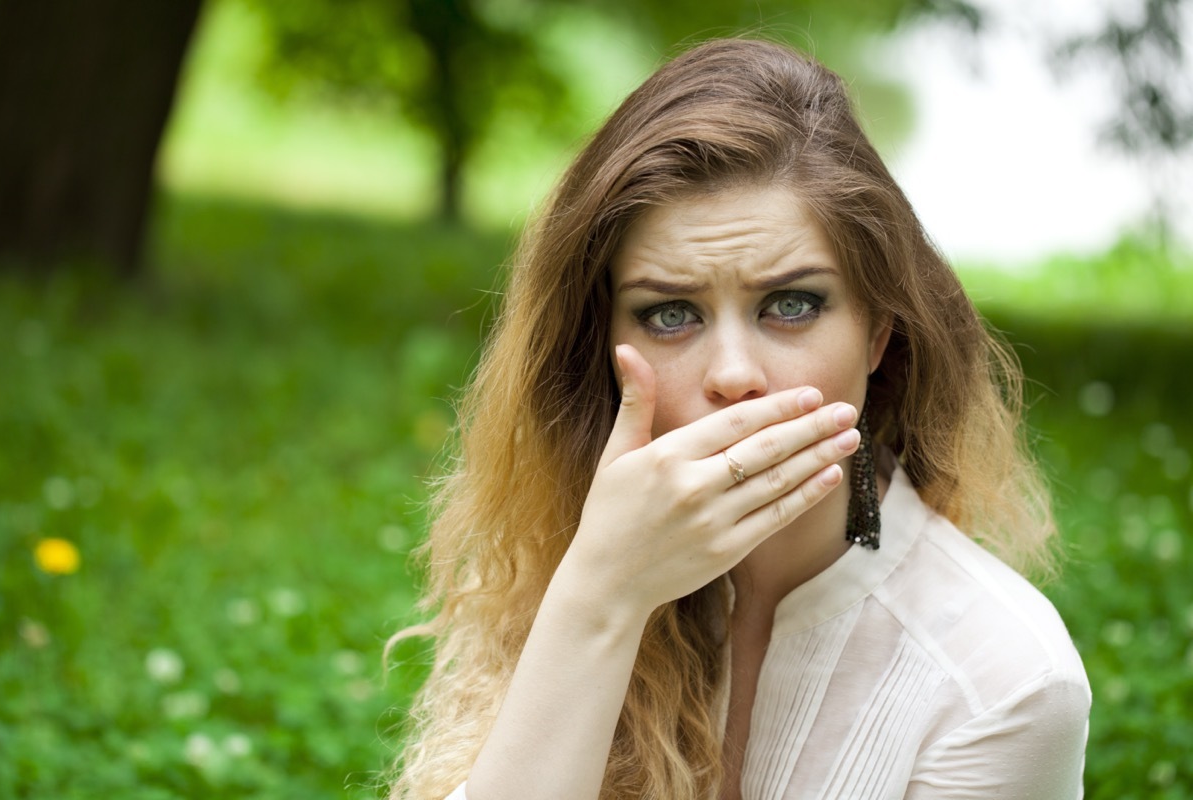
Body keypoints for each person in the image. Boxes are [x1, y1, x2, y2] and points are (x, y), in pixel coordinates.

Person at [385, 38, 1091, 800]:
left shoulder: (1004, 677)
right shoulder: (562, 566)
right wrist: (599, 597)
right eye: (670, 313)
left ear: (879, 331)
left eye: (791, 305)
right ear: (602, 344)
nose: (732, 375)